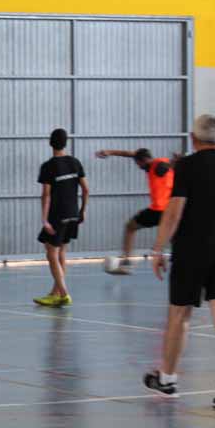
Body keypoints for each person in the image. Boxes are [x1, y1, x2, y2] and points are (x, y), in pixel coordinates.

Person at [145, 114, 215, 409]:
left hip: (191, 252)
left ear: (193, 139)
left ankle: (168, 381)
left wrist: (158, 248)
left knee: (179, 315)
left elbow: (174, 210)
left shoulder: (186, 166)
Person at [95, 147, 175, 274]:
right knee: (169, 235)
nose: (138, 166)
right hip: (169, 210)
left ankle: (128, 263)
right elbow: (130, 154)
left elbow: (165, 165)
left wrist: (173, 163)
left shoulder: (158, 165)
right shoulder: (152, 162)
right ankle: (162, 256)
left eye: (138, 164)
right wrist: (110, 152)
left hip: (158, 211)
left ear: (143, 160)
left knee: (130, 227)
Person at [34, 128, 89, 307]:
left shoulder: (48, 166)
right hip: (73, 213)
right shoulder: (75, 163)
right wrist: (82, 211)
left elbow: (46, 195)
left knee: (51, 253)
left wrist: (44, 220)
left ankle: (64, 294)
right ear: (66, 143)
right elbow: (86, 190)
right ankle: (55, 293)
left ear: (51, 143)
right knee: (61, 252)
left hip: (58, 215)